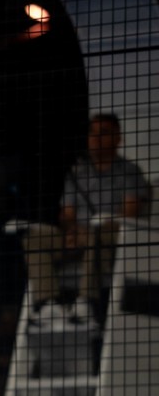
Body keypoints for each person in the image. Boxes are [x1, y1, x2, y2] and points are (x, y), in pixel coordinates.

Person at [23, 113, 152, 322]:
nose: (96, 139)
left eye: (104, 133)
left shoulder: (130, 172)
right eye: (92, 133)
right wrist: (71, 230)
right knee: (35, 236)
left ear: (118, 138)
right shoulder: (77, 173)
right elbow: (67, 213)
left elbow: (129, 214)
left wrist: (89, 231)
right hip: (76, 237)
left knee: (97, 233)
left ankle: (86, 303)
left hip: (110, 238)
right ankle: (48, 305)